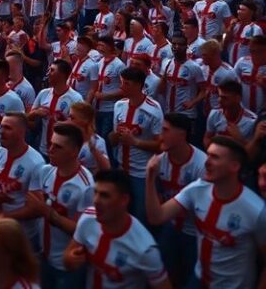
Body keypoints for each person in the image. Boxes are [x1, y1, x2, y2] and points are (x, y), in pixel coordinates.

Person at [146, 136, 266, 289]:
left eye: (215, 157)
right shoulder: (196, 190)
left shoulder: (256, 210)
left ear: (234, 166)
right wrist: (150, 178)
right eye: (208, 155)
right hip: (199, 280)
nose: (206, 162)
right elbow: (157, 217)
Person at [63, 170, 170, 289]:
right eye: (95, 193)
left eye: (104, 195)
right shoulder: (87, 219)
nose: (96, 201)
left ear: (124, 200)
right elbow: (68, 257)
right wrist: (70, 260)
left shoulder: (145, 249)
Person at [27, 123, 93, 289]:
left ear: (74, 152)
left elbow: (82, 230)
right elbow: (33, 201)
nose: (50, 149)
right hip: (43, 256)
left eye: (58, 147)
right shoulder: (45, 171)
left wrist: (48, 213)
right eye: (50, 144)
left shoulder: (85, 187)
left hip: (66, 264)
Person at [0, 113, 44, 252]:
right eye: (1, 127)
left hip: (21, 236)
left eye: (7, 128)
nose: (1, 132)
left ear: (21, 132)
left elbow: (36, 209)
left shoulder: (36, 163)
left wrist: (5, 217)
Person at [153, 114, 206, 288]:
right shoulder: (159, 161)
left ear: (182, 135)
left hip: (194, 232)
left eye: (166, 130)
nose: (160, 135)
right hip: (170, 225)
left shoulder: (202, 165)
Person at [109, 67, 163, 226]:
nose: (121, 87)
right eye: (121, 83)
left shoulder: (154, 109)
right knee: (120, 215)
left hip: (141, 173)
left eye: (126, 84)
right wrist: (114, 136)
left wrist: (135, 142)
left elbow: (160, 146)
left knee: (141, 218)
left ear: (138, 85)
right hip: (121, 168)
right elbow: (113, 141)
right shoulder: (119, 106)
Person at [29, 59, 83, 160]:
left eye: (52, 70)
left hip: (63, 153)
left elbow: (80, 127)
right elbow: (29, 119)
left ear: (62, 75)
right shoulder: (43, 94)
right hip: (42, 150)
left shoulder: (76, 98)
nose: (48, 73)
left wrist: (64, 122)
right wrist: (36, 113)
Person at [204, 79, 257, 146]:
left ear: (238, 98)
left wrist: (240, 139)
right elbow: (207, 137)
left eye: (224, 98)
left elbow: (255, 151)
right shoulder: (214, 114)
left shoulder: (252, 121)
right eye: (219, 96)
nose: (219, 100)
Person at [70, 101, 110, 174]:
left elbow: (107, 168)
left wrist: (93, 149)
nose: (69, 121)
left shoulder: (98, 142)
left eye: (72, 118)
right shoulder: (67, 138)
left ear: (85, 120)